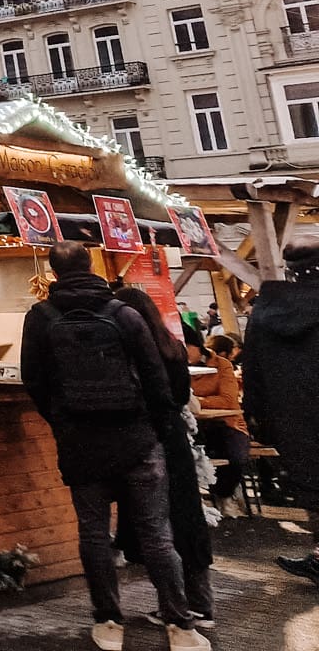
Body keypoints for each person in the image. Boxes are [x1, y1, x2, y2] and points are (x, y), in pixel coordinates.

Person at [20, 241, 206, 650]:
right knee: (157, 534)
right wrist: (153, 429)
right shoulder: (124, 315)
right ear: (92, 265)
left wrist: (63, 421)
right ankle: (180, 626)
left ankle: (107, 622)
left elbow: (32, 380)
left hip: (81, 443)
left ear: (53, 272)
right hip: (138, 440)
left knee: (93, 535)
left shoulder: (40, 318)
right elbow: (157, 380)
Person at [112, 286, 214, 627]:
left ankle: (175, 607)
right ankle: (202, 605)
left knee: (157, 528)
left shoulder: (129, 353)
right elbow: (182, 394)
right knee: (187, 519)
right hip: (176, 441)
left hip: (146, 441)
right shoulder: (173, 348)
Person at [244, 225, 319, 584]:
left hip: (294, 422)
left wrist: (259, 420)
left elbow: (253, 371)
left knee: (313, 489)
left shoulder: (265, 311)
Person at [192, 333, 249, 502]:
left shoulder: (221, 364)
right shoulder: (175, 367)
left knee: (236, 457)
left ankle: (224, 492)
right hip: (196, 426)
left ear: (197, 346)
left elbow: (228, 400)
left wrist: (197, 401)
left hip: (228, 423)